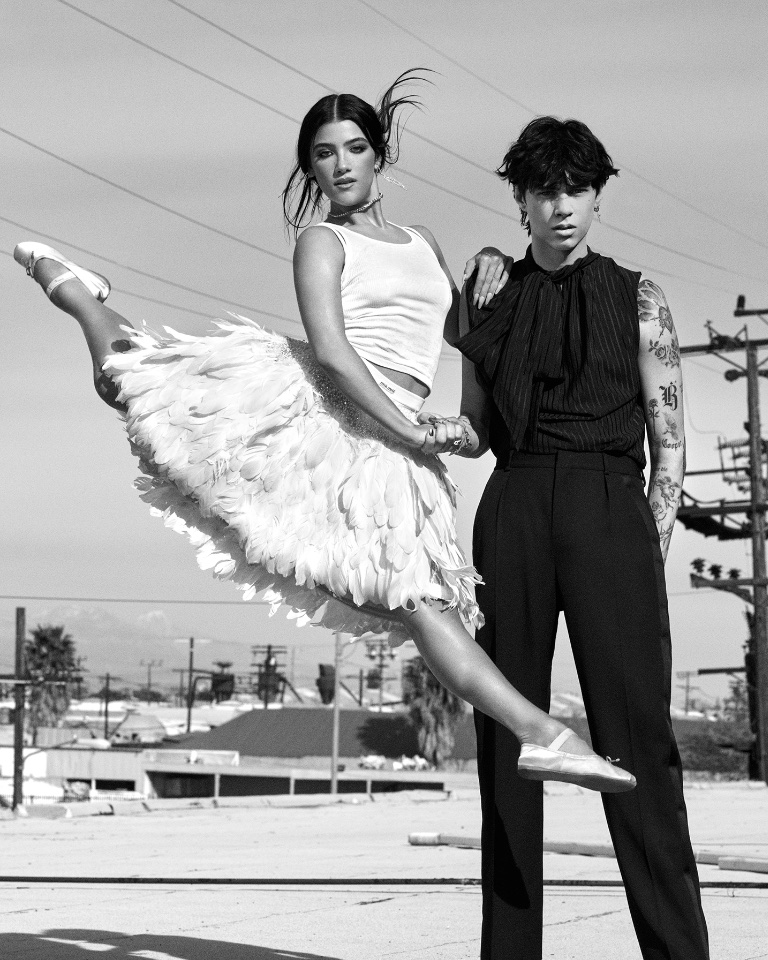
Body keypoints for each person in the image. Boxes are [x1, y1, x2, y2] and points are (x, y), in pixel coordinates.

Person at [13, 75, 635, 800]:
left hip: (408, 448)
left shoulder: (425, 242)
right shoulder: (321, 241)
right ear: (310, 169)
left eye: (355, 148)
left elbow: (464, 338)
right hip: (338, 423)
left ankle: (541, 735)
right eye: (323, 153)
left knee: (419, 602)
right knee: (143, 391)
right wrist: (408, 426)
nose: (341, 164)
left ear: (381, 156)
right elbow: (334, 353)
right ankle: (543, 734)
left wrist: (467, 419)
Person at [443, 116, 727, 960]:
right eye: (543, 190)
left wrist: (648, 542)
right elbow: (475, 426)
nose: (561, 207)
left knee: (638, 735)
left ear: (597, 195)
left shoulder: (639, 297)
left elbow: (670, 438)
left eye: (576, 189)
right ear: (519, 199)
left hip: (613, 506)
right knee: (504, 736)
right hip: (514, 504)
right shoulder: (489, 297)